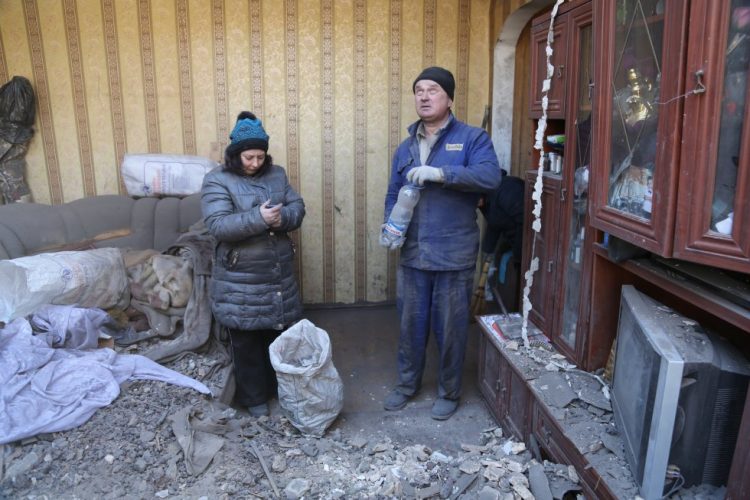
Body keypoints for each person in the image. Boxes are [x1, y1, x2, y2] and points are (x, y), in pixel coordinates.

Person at [380, 66, 502, 420]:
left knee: (451, 328)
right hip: (414, 252)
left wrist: (442, 174)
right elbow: (393, 192)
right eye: (418, 90)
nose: (424, 96)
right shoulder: (405, 148)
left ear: (449, 98)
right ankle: (407, 385)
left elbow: (490, 176)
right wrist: (390, 225)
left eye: (433, 90)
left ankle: (449, 391)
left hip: (454, 253)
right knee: (409, 326)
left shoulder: (472, 139)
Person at [201, 111, 305, 417]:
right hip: (239, 278)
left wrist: (282, 217)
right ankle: (255, 400)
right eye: (249, 157)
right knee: (246, 342)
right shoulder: (217, 180)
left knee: (278, 338)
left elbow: (297, 208)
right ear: (235, 155)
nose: (255, 163)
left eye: (260, 156)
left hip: (276, 275)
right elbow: (218, 225)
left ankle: (278, 393)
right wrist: (259, 218)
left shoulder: (278, 175)